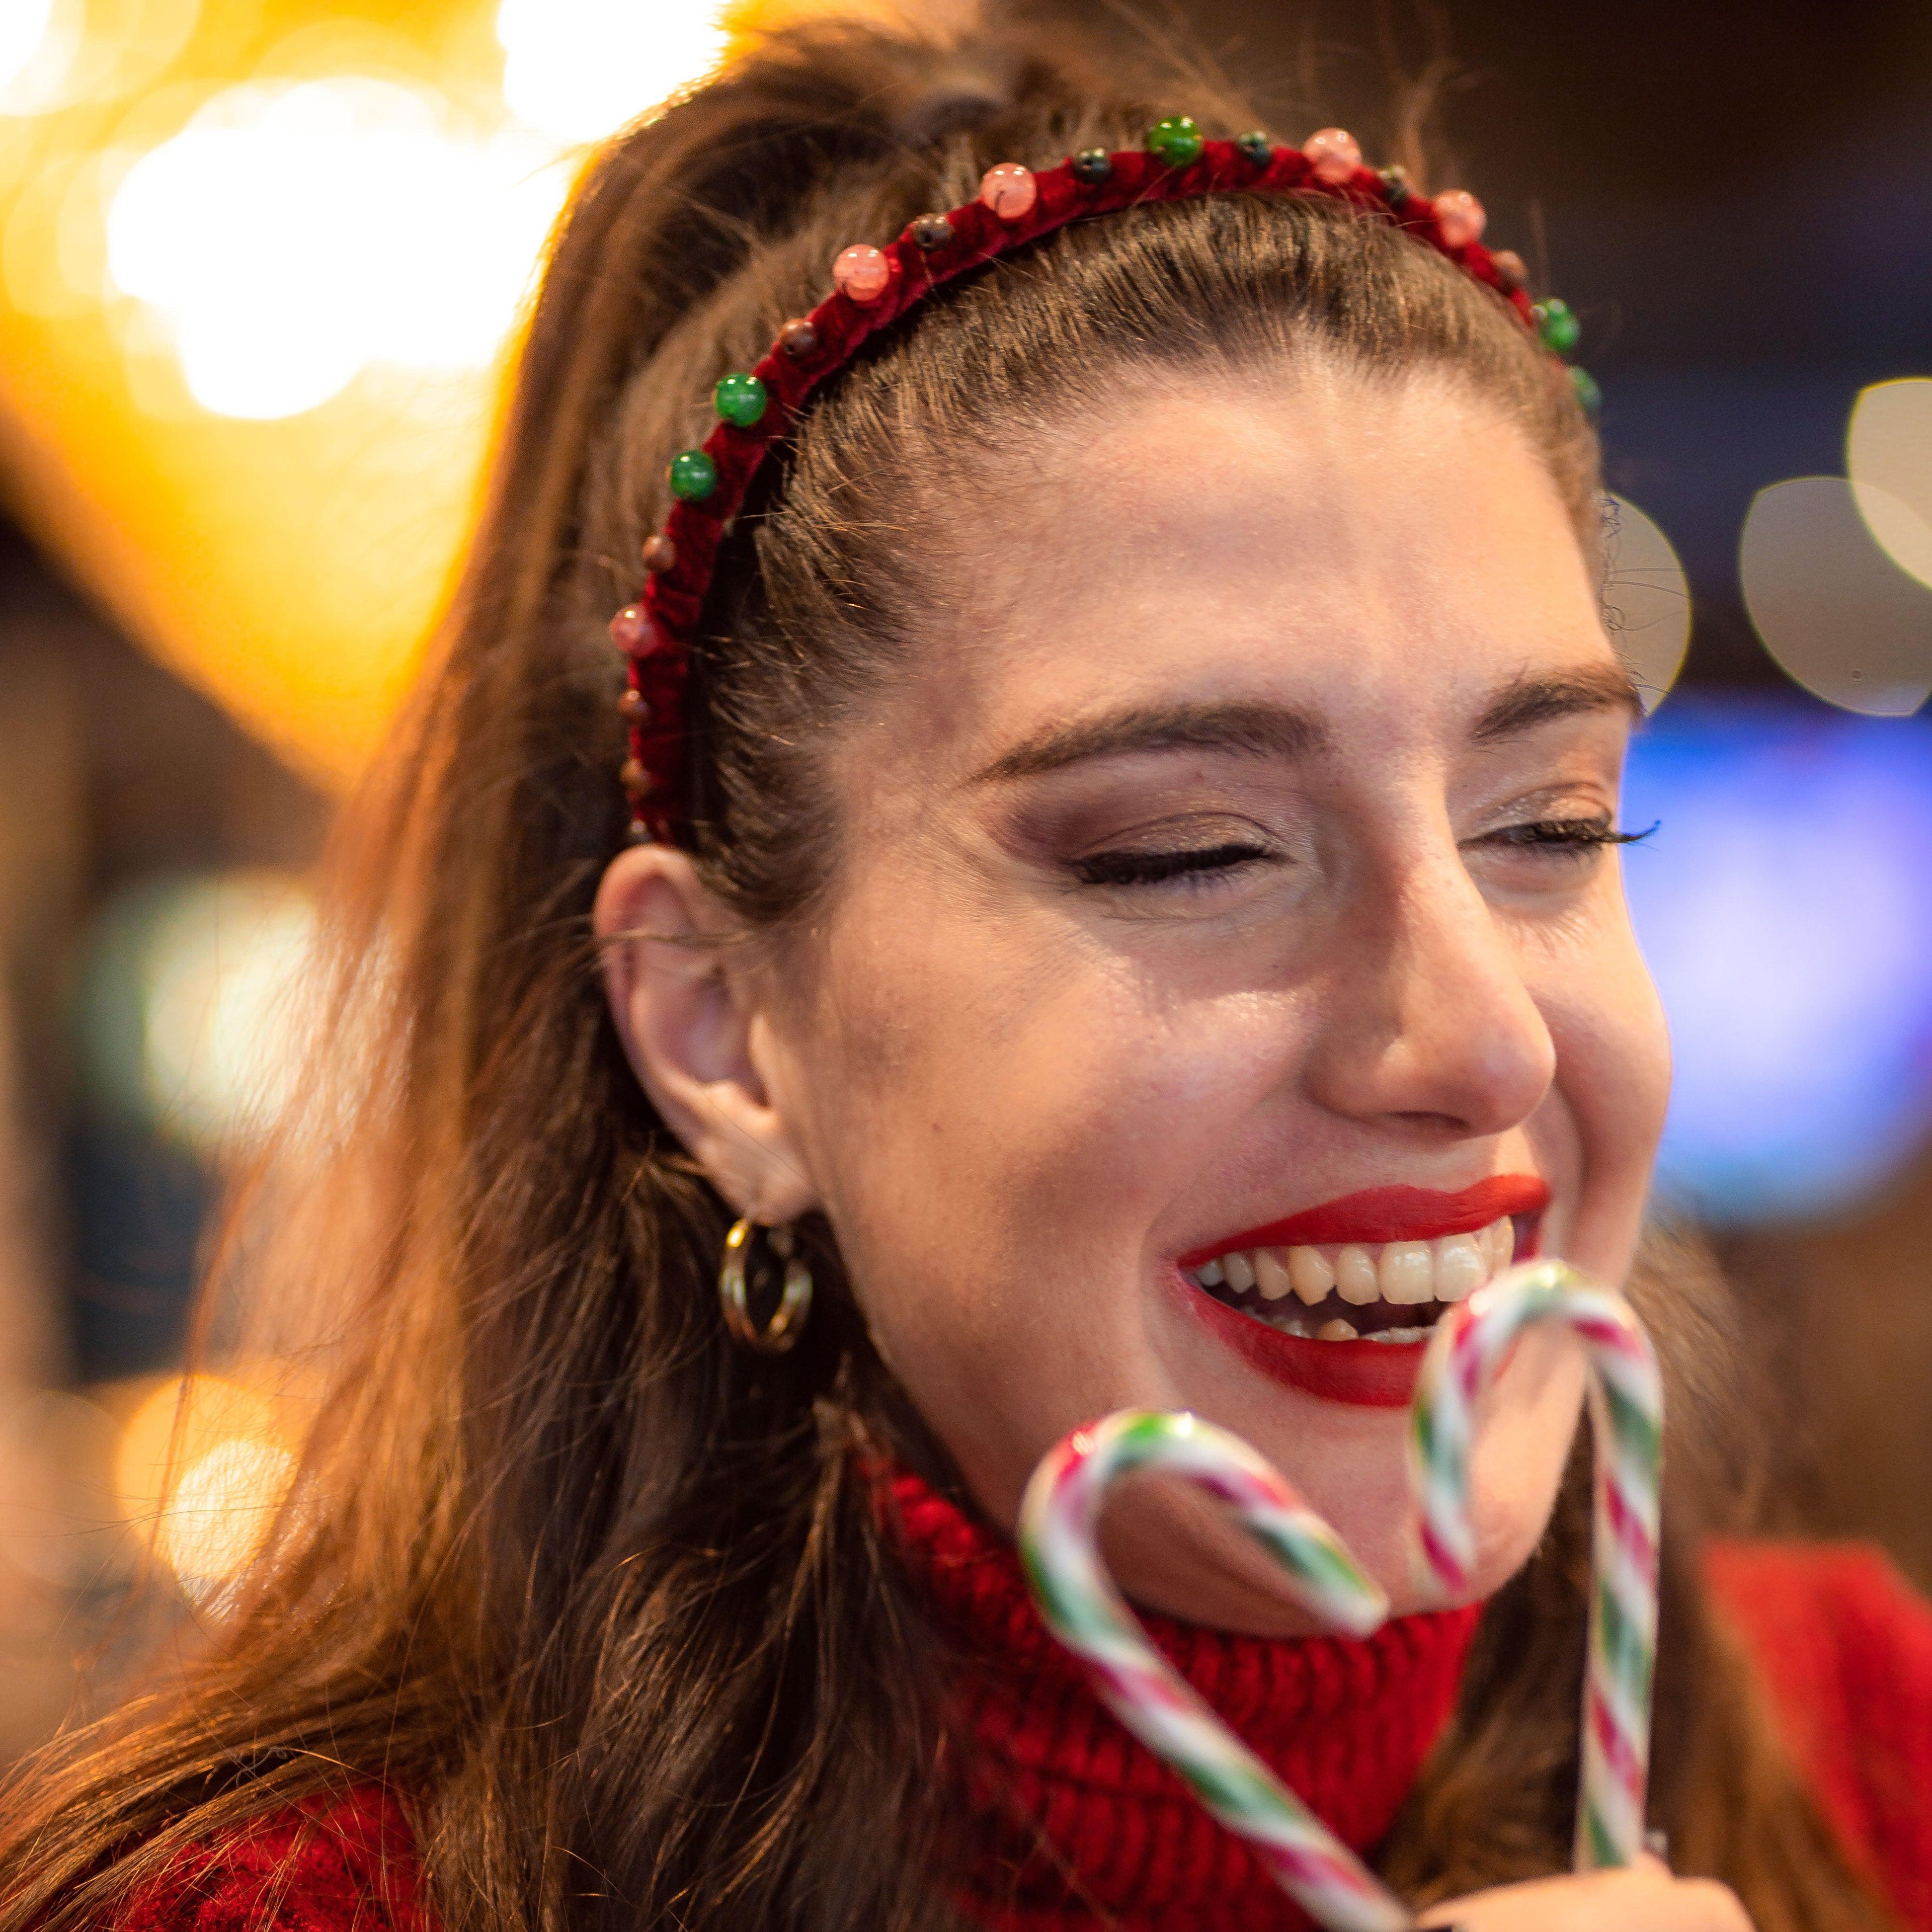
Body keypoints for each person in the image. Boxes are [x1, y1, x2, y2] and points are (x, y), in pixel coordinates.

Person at [5, 14, 1930, 1932]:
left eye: (1555, 829)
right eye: (1196, 851)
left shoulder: (1870, 1750)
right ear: (720, 1035)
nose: (1481, 1032)